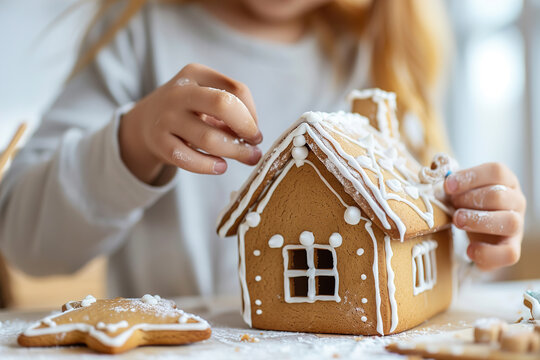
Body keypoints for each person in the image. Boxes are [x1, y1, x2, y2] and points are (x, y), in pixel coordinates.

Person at [0, 0, 526, 298]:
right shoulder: (141, 32)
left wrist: (476, 229)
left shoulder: (378, 59)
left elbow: (415, 235)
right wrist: (134, 140)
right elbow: (21, 235)